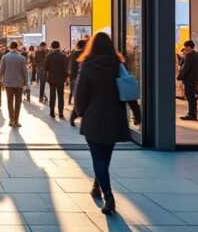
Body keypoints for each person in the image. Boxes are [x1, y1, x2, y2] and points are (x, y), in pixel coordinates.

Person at [72, 32, 141, 216]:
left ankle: (109, 198)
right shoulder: (119, 65)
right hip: (115, 117)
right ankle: (96, 186)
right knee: (105, 157)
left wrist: (80, 112)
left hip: (94, 118)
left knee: (98, 158)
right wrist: (136, 113)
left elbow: (80, 94)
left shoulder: (87, 66)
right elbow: (128, 88)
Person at [0, 41, 27, 127]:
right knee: (18, 102)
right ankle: (16, 120)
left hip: (8, 83)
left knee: (9, 102)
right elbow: (24, 72)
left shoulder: (5, 57)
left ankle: (11, 120)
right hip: (19, 83)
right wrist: (25, 82)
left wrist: (0, 81)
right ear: (17, 47)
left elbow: (1, 70)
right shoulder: (22, 58)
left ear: (10, 47)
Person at [177, 40, 198, 121]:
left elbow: (186, 68)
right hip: (194, 79)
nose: (185, 48)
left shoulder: (189, 56)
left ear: (188, 47)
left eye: (185, 46)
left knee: (190, 97)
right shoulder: (196, 55)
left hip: (189, 80)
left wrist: (180, 76)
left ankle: (191, 114)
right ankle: (193, 113)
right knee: (192, 97)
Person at [44, 41, 69, 119]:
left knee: (52, 95)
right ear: (59, 46)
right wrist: (65, 78)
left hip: (51, 78)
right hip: (61, 79)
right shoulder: (63, 55)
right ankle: (61, 112)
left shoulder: (48, 56)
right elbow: (66, 68)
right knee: (61, 95)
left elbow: (45, 68)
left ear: (51, 46)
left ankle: (52, 112)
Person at [68, 39, 85, 105]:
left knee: (74, 93)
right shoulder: (87, 55)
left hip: (74, 77)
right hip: (83, 78)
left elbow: (71, 67)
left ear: (77, 46)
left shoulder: (73, 55)